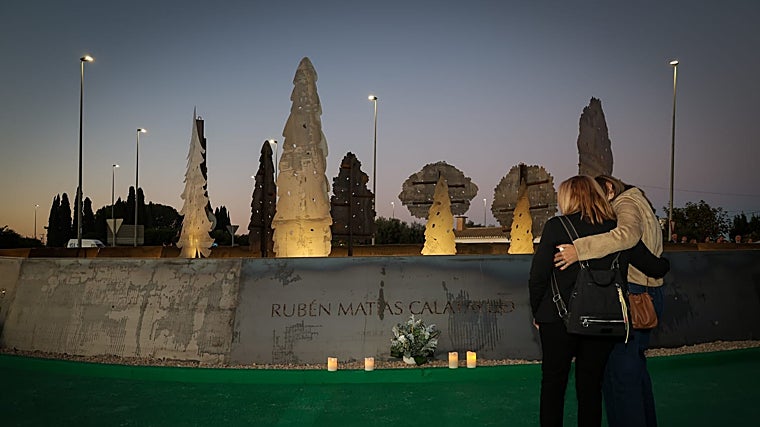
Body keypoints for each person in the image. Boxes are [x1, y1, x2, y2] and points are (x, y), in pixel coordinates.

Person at [529, 176, 669, 427]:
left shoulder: (556, 226)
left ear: (569, 197)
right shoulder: (617, 231)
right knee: (591, 388)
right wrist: (665, 260)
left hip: (557, 320)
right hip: (602, 321)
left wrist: (538, 312)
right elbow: (655, 267)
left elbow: (538, 276)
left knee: (553, 385)